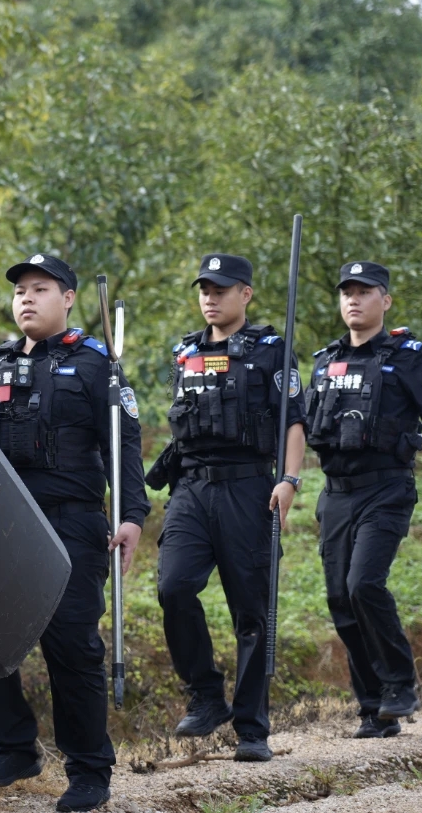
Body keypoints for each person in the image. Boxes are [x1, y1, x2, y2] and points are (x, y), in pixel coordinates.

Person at [0, 255, 149, 812]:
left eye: (39, 289)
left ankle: (90, 769)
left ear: (67, 298)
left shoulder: (95, 365)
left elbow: (125, 444)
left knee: (70, 645)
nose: (26, 299)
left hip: (70, 521)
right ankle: (15, 744)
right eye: (19, 290)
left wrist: (131, 515)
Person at [305, 261, 422, 738]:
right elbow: (295, 425)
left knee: (364, 585)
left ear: (386, 300)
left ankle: (400, 684)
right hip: (335, 495)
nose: (353, 300)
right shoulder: (324, 361)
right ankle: (373, 705)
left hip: (386, 490)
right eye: (347, 293)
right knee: (340, 599)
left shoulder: (406, 357)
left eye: (365, 292)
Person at [146, 253, 305, 763]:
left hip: (248, 489)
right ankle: (207, 695)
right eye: (204, 290)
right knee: (173, 587)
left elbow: (293, 422)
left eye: (221, 289)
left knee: (252, 612)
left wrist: (289, 480)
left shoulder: (271, 351)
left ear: (246, 294)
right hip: (191, 489)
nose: (210, 298)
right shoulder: (184, 353)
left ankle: (253, 728)